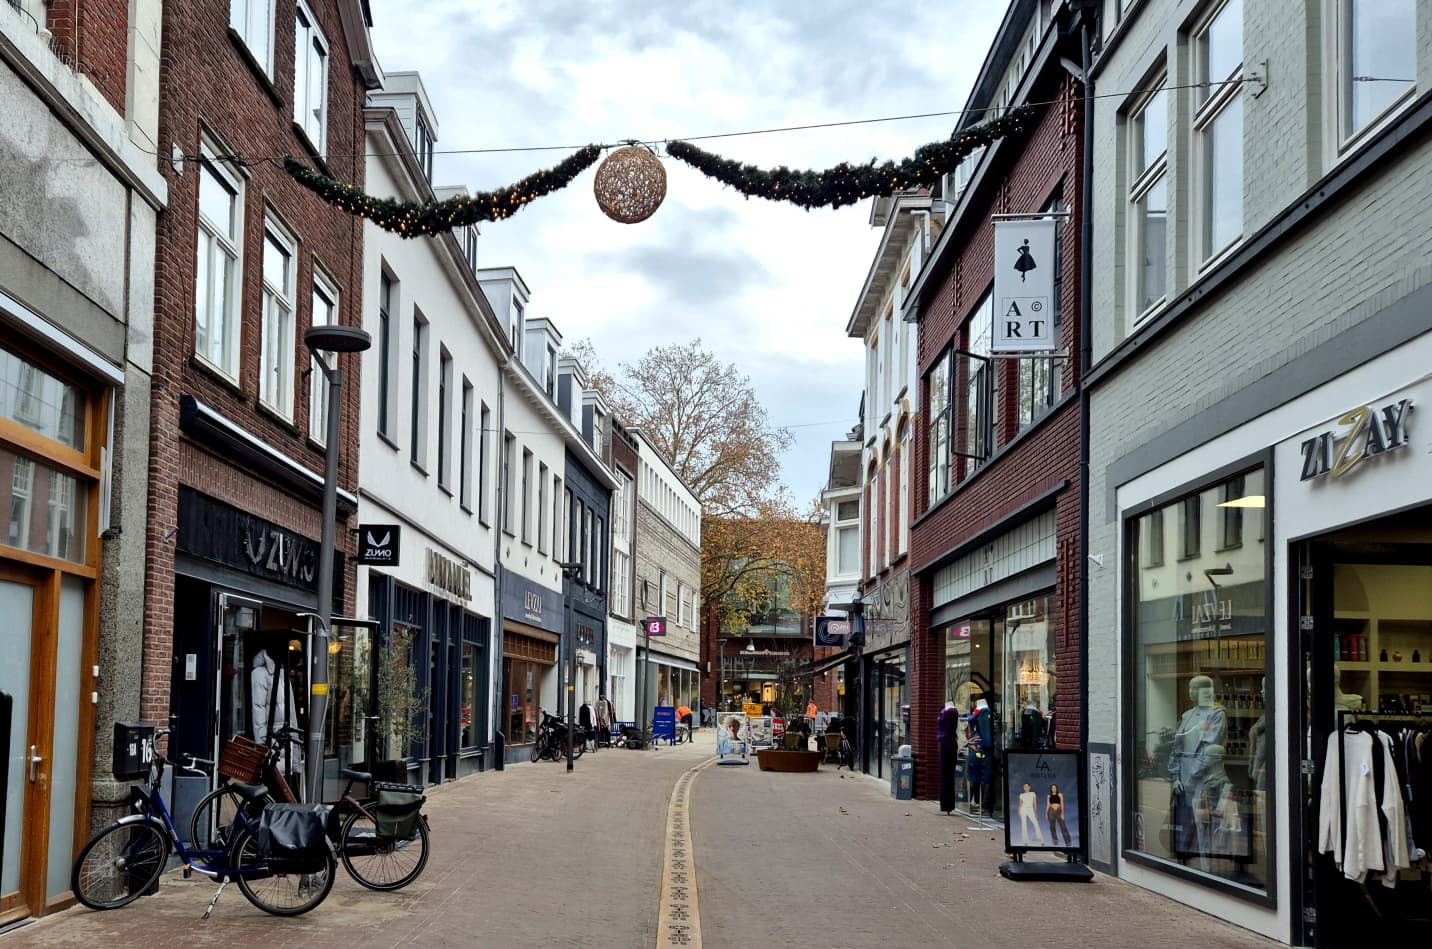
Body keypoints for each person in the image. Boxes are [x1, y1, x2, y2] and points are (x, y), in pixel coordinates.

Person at [937, 701, 961, 815]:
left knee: (945, 775)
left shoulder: (945, 713)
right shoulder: (955, 713)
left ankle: (946, 804)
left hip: (946, 746)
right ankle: (949, 804)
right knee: (950, 775)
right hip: (952, 744)